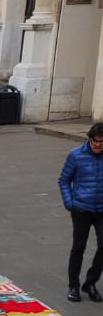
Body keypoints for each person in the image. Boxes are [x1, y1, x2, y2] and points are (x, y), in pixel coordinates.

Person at [60, 123, 103, 302]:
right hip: (81, 208)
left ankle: (90, 282)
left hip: (101, 209)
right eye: (94, 141)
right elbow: (64, 180)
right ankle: (74, 286)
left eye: (101, 141)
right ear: (89, 140)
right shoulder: (76, 155)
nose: (98, 145)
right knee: (79, 247)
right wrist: (70, 203)